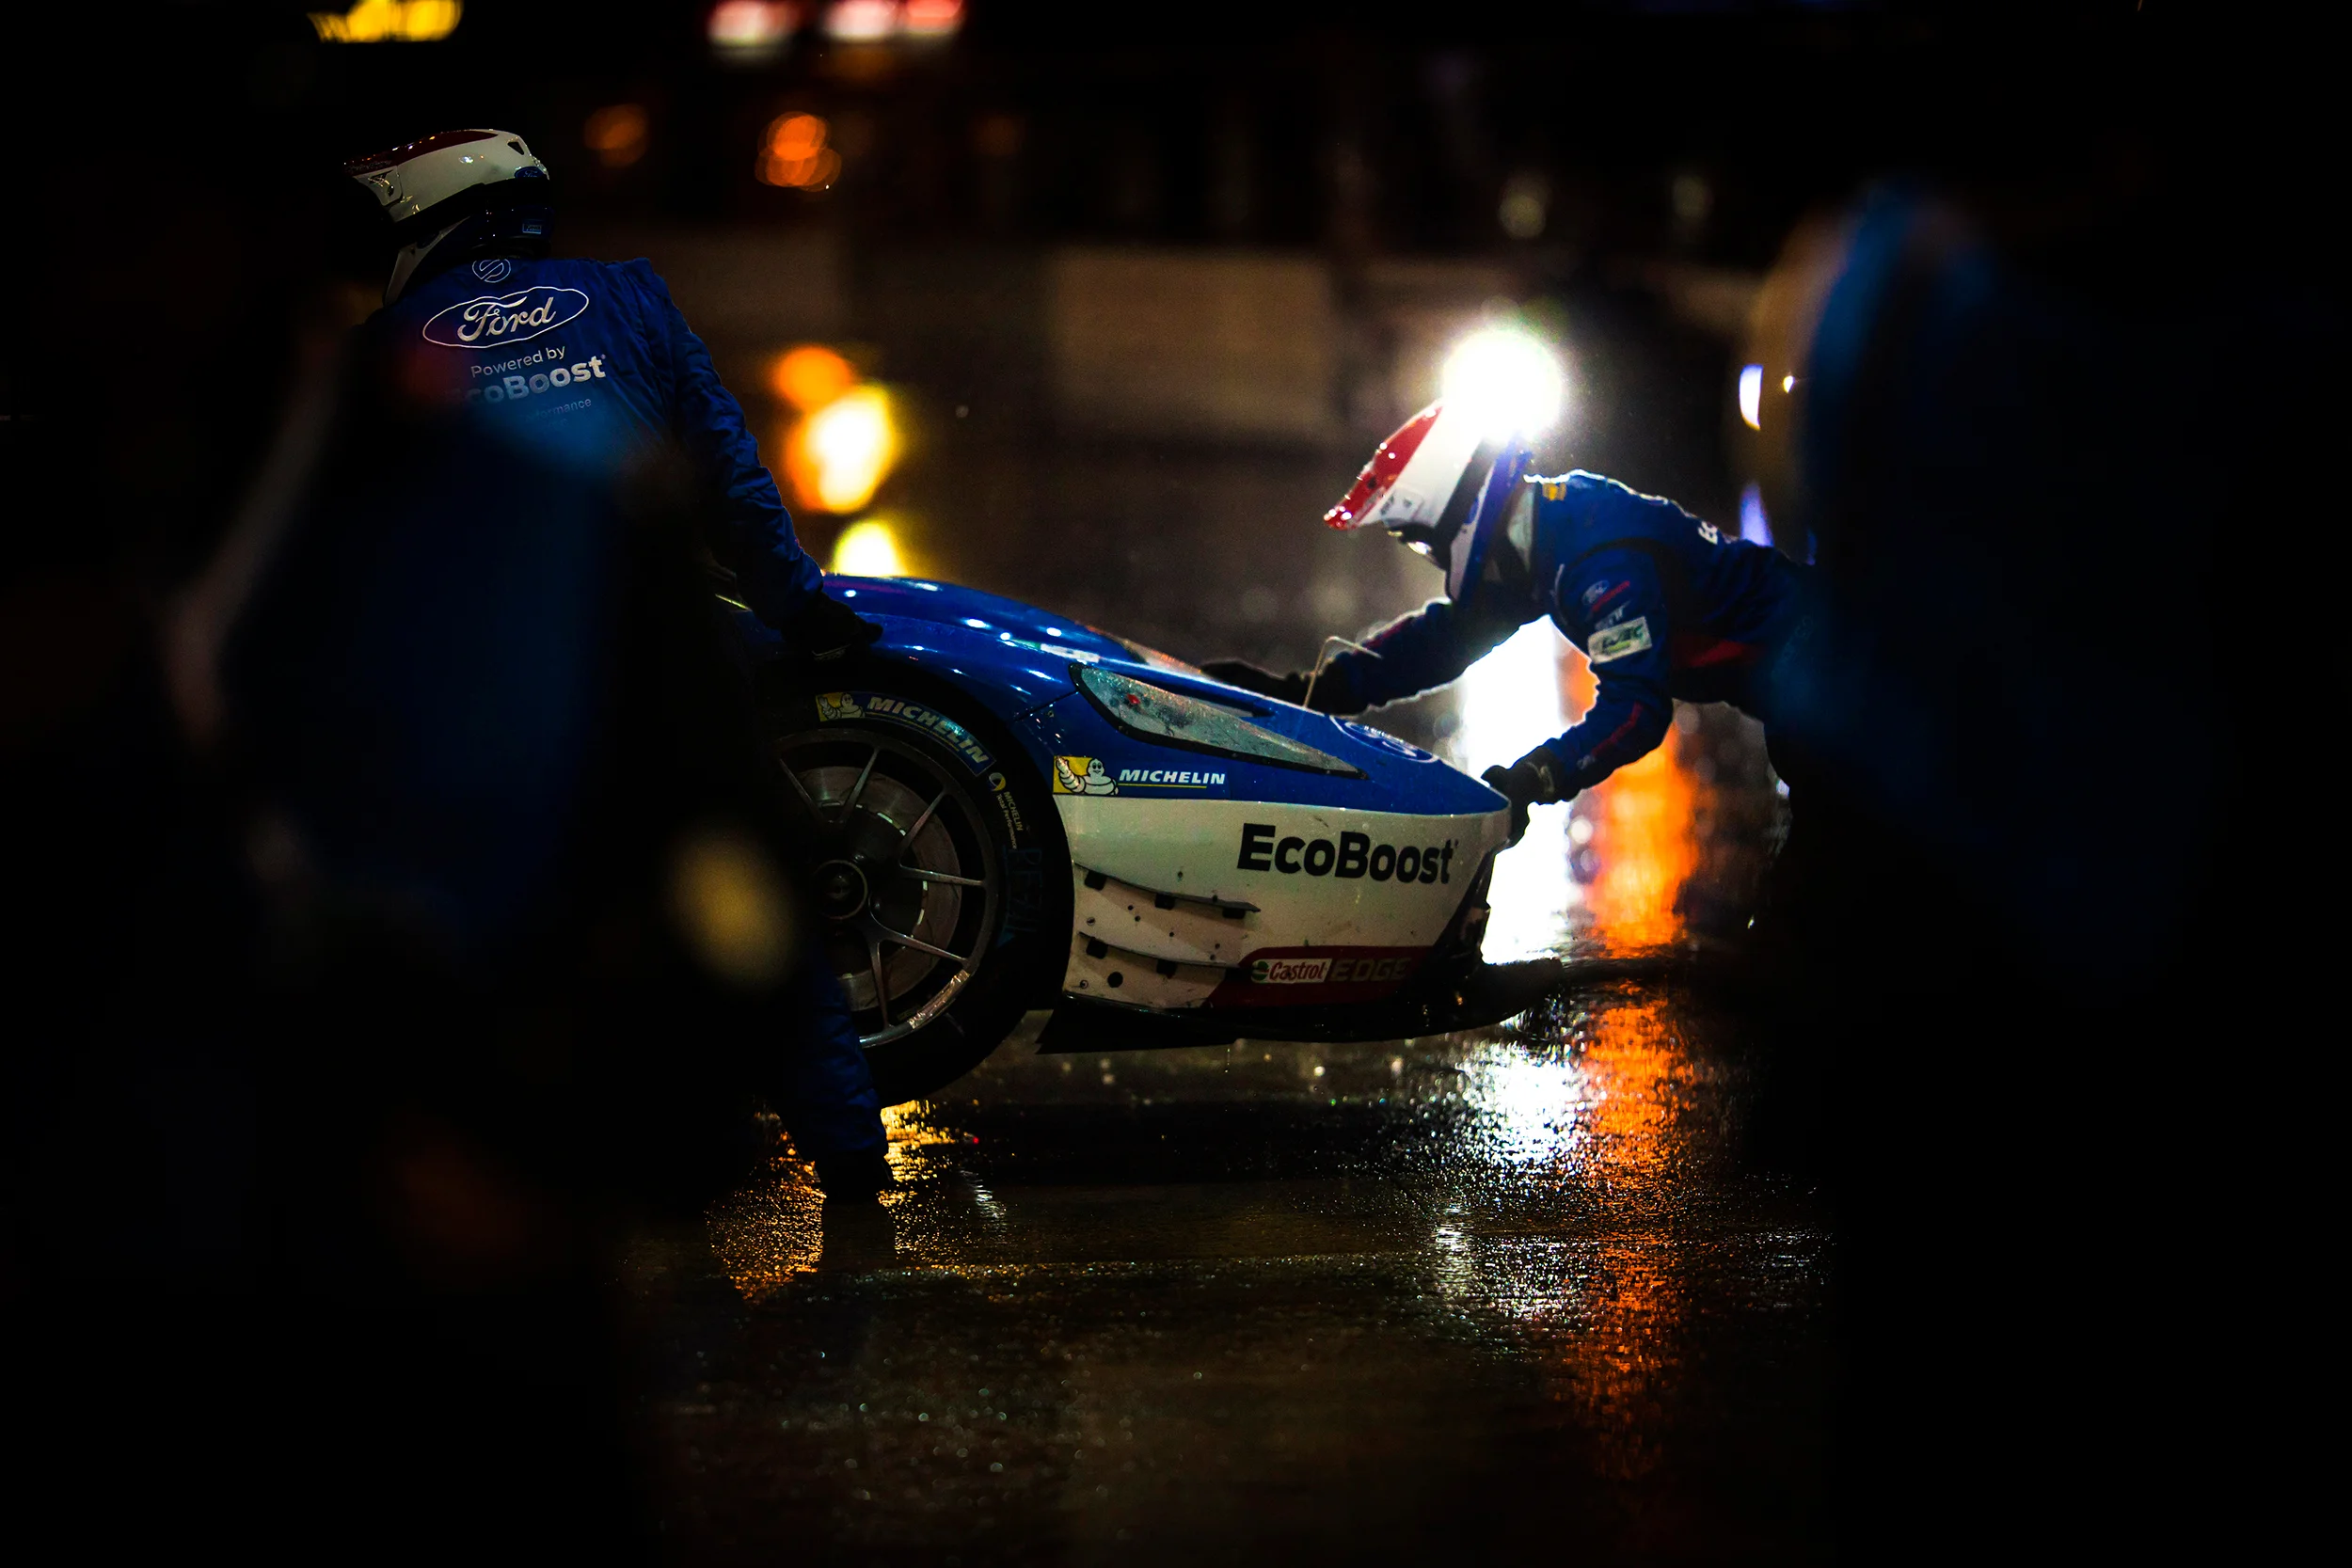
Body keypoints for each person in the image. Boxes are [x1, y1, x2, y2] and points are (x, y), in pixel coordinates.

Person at [336, 128, 890, 1198]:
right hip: (671, 659)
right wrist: (799, 605)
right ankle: (849, 1161)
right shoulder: (630, 295)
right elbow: (728, 473)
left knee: (490, 932)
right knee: (749, 903)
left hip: (491, 686)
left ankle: (511, 1183)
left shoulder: (378, 348)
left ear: (420, 218)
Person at [1204, 401, 1806, 845]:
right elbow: (1444, 638)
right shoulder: (1540, 537)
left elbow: (1637, 710)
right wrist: (1307, 692)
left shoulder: (1596, 559)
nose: (1430, 556)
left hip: (1839, 658)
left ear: (1456, 516)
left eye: (1420, 541)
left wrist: (1533, 778)